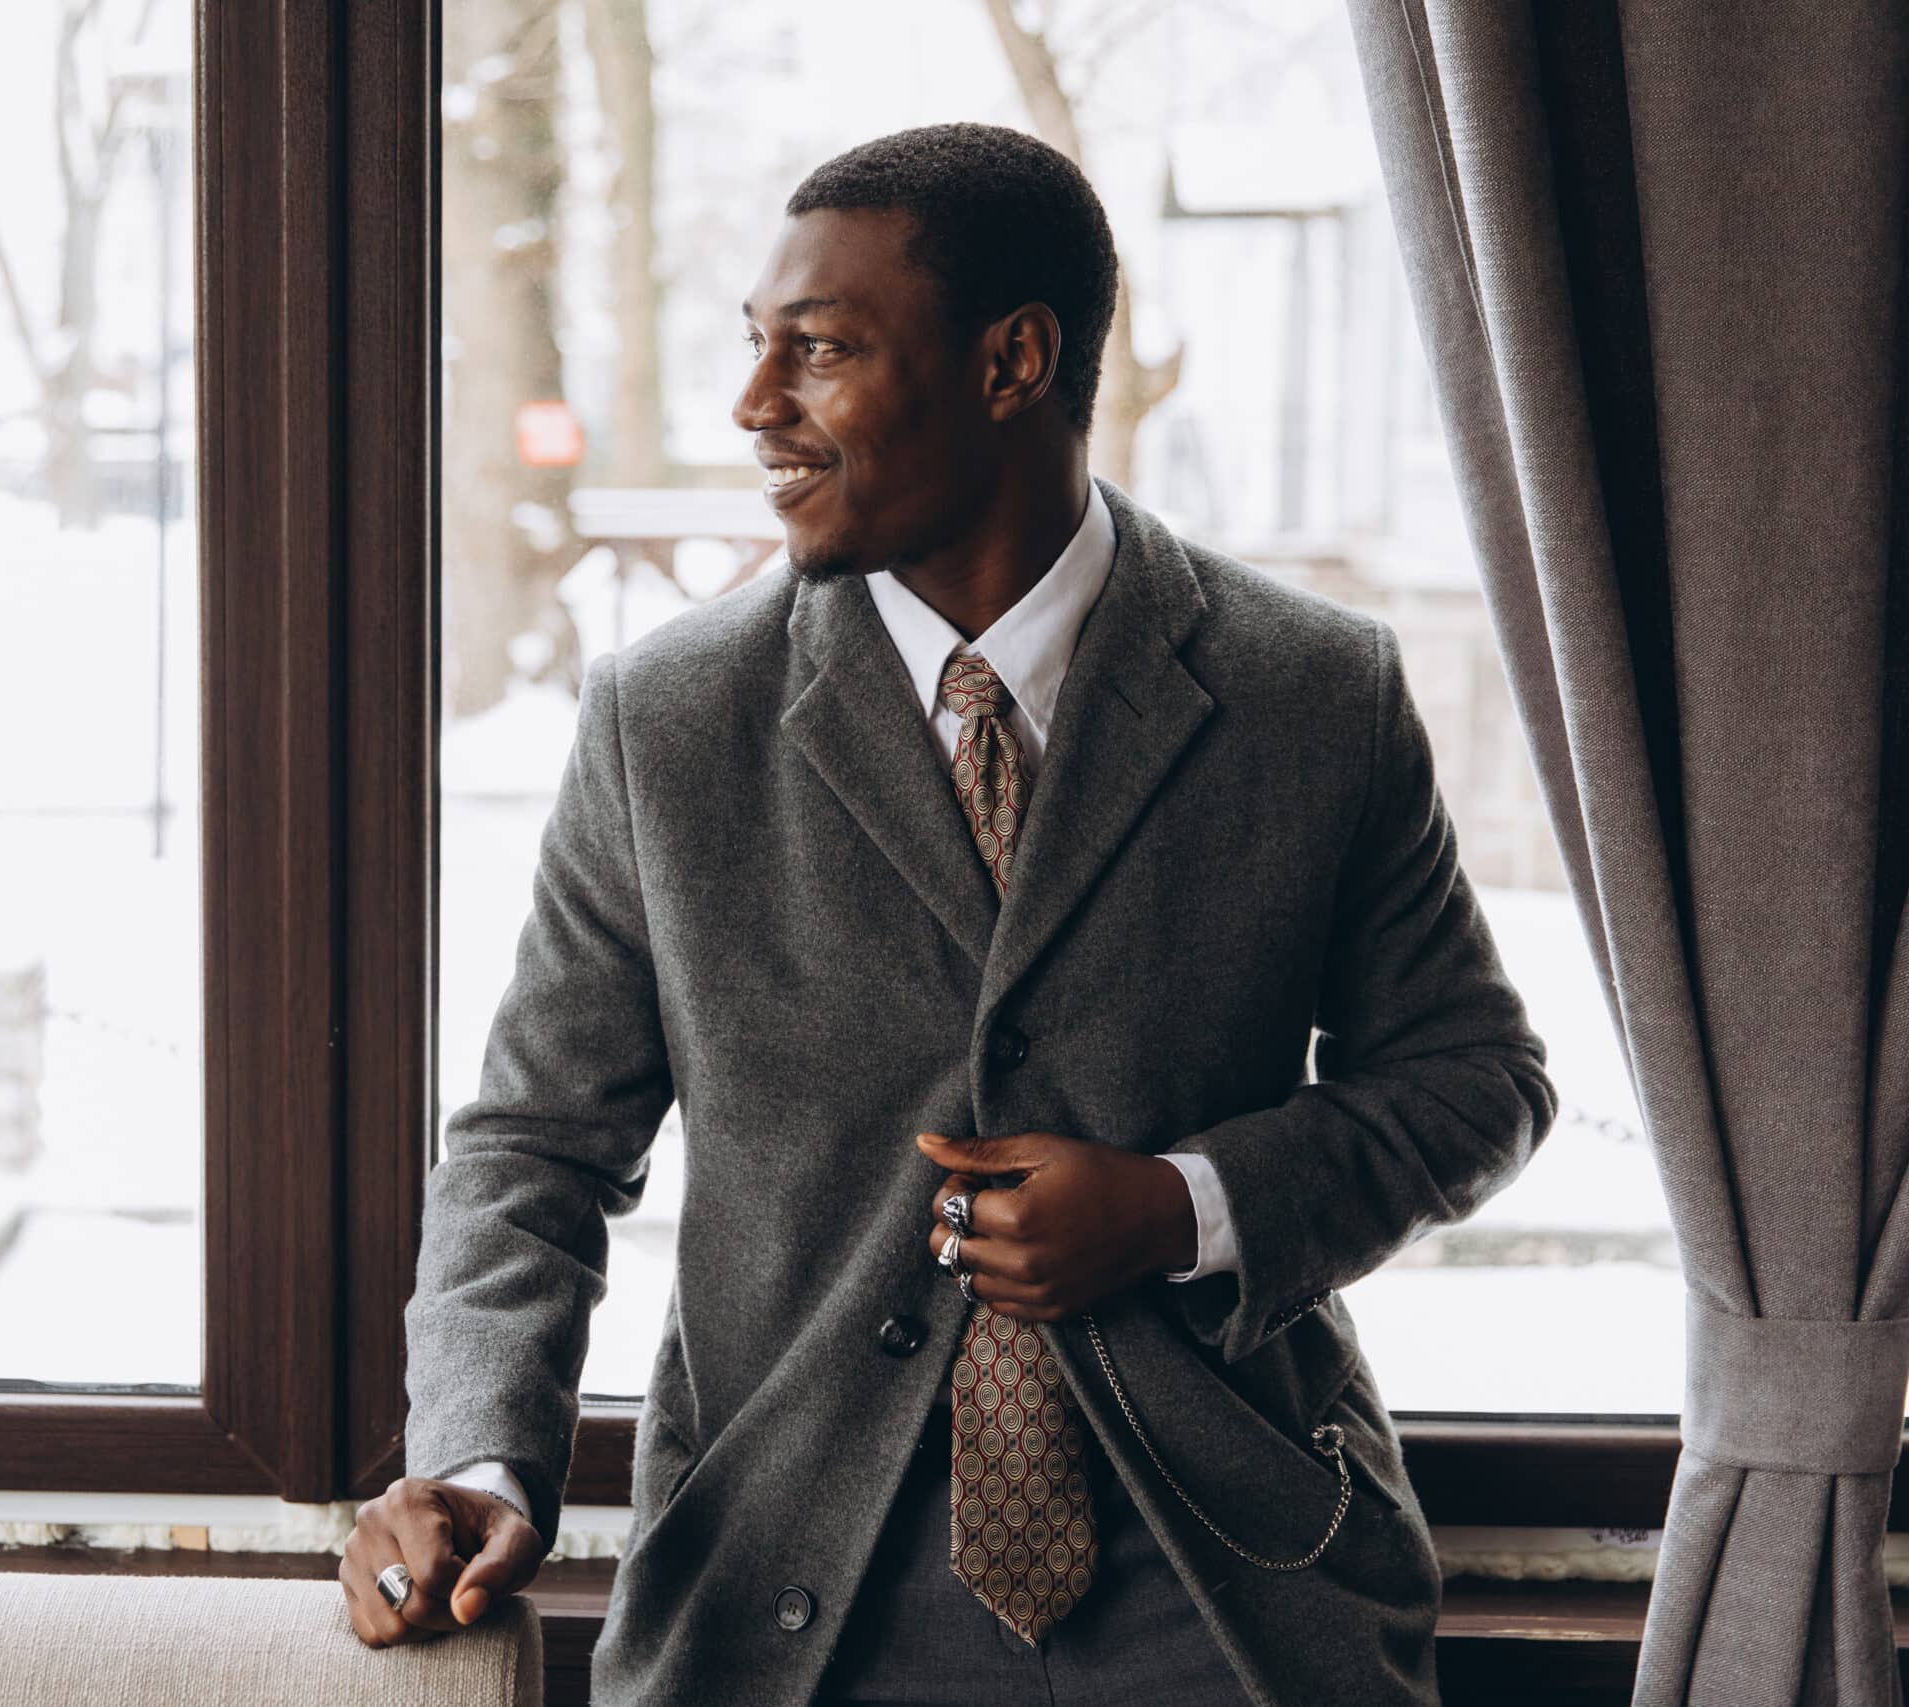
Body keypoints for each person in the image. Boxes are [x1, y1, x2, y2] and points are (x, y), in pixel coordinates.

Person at [346, 121, 1556, 1706]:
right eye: (754, 348)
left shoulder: (1313, 694)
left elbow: (1478, 1082)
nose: (755, 406)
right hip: (783, 1607)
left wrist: (1178, 1207)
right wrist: (481, 1461)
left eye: (822, 351)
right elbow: (534, 1150)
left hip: (1232, 1600)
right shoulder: (669, 722)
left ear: (1014, 364)